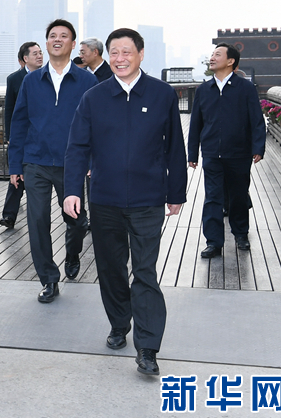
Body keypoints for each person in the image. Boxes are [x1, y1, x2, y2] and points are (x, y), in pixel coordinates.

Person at [64, 28, 187, 375]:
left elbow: (174, 147)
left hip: (149, 199)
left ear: (141, 54)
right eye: (114, 52)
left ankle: (147, 347)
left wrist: (176, 192)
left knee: (145, 272)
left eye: (126, 52)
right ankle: (120, 324)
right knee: (111, 269)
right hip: (105, 199)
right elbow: (77, 147)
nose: (120, 59)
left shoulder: (162, 94)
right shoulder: (94, 96)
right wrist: (72, 190)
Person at [9, 19, 95, 301]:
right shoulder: (31, 81)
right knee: (37, 221)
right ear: (47, 44)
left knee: (76, 220)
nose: (57, 39)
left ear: (73, 44)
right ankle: (48, 278)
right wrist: (15, 165)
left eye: (64, 36)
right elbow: (19, 123)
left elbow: (97, 124)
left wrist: (92, 160)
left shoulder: (87, 81)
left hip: (73, 164)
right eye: (52, 36)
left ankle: (72, 253)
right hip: (36, 162)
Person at [187, 43, 265, 258]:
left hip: (239, 153)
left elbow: (256, 120)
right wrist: (192, 153)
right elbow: (196, 124)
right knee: (213, 198)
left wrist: (258, 147)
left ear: (231, 61)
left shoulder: (246, 88)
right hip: (212, 153)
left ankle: (241, 234)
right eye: (212, 54)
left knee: (238, 196)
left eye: (217, 54)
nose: (212, 58)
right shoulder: (203, 90)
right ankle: (213, 242)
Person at [0, 41, 43, 229]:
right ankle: (9, 215)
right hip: (20, 136)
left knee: (34, 177)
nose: (40, 56)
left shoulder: (46, 76)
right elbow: (9, 109)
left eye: (41, 53)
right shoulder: (14, 79)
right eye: (35, 53)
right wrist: (10, 136)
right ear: (25, 58)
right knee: (16, 175)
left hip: (39, 137)